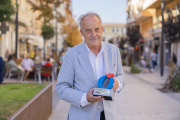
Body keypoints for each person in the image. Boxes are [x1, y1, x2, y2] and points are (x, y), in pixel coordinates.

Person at [55, 12, 126, 120]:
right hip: (81, 116)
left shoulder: (114, 51)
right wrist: (84, 98)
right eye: (88, 31)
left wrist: (117, 82)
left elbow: (121, 76)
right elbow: (61, 88)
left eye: (97, 29)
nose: (94, 35)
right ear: (81, 32)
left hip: (107, 115)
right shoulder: (71, 55)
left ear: (102, 29)